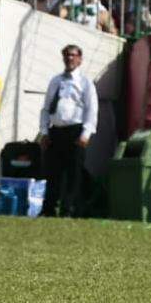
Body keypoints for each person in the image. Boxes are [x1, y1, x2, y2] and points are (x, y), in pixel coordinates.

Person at [39, 44, 98, 217]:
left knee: (74, 173)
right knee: (52, 172)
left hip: (75, 131)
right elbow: (46, 108)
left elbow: (91, 109)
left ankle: (69, 209)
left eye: (73, 55)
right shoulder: (56, 81)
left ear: (79, 59)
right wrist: (44, 131)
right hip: (56, 131)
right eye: (67, 55)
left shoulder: (85, 82)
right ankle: (48, 209)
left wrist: (86, 133)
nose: (69, 58)